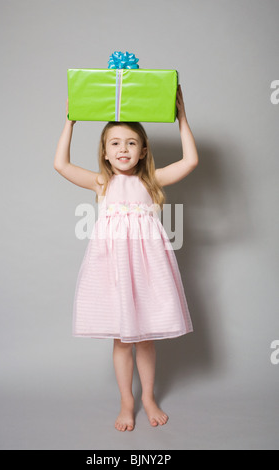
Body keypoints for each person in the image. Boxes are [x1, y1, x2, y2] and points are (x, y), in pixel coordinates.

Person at [54, 85, 199, 432]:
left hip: (148, 271)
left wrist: (182, 118)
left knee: (145, 336)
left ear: (143, 150)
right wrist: (70, 121)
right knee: (122, 338)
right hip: (114, 271)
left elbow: (191, 160)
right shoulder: (101, 183)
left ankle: (148, 397)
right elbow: (60, 164)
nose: (123, 149)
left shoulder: (151, 181)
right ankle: (127, 400)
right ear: (104, 152)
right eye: (115, 143)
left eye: (131, 142)